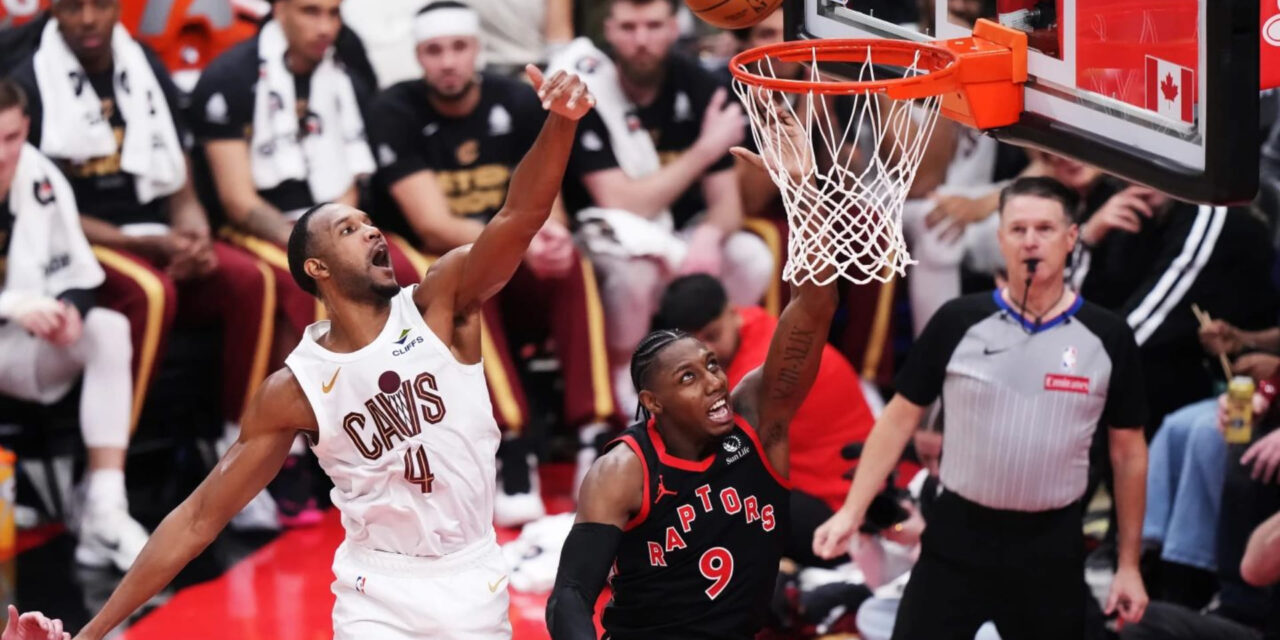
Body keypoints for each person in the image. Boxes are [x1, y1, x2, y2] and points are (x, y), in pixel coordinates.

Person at [29, 67, 594, 640]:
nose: (373, 232)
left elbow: (519, 215)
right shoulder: (295, 388)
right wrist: (90, 633)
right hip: (377, 591)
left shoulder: (443, 303)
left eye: (371, 223)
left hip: (472, 575)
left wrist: (560, 124)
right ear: (316, 269)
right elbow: (199, 518)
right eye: (350, 230)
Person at [814, 176, 1151, 639]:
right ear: (1000, 239)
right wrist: (852, 511)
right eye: (1017, 229)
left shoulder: (1108, 336)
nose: (1030, 241)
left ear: (1072, 237)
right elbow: (897, 420)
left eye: (1045, 229)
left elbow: (1128, 454)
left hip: (1051, 546)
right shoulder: (958, 321)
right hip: (958, 536)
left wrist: (1128, 564)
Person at [545, 109, 839, 639]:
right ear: (651, 403)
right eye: (687, 378)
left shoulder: (758, 418)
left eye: (711, 365)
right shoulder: (624, 470)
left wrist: (803, 191)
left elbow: (815, 302)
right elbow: (569, 596)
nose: (713, 381)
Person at [6, 0, 282, 530]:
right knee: (150, 293)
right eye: (72, 8)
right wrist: (154, 248)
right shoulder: (31, 82)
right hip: (81, 240)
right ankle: (102, 478)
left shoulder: (144, 64)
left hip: (156, 234)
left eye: (99, 6)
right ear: (52, 15)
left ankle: (240, 456)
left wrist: (193, 228)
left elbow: (178, 175)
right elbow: (50, 214)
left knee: (251, 279)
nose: (87, 20)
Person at [368, 0, 616, 524]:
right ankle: (512, 444)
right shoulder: (395, 109)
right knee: (469, 278)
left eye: (458, 47)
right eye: (434, 51)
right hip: (441, 276)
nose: (448, 61)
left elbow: (552, 199)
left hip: (516, 252)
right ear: (418, 57)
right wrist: (519, 242)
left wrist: (551, 239)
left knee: (572, 261)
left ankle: (595, 434)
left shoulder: (516, 101)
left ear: (477, 50)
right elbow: (432, 223)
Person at [189, 0, 431, 524]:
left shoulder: (347, 63)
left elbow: (349, 184)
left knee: (408, 271)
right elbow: (236, 198)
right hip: (258, 222)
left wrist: (339, 232)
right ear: (277, 11)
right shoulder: (230, 75)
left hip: (324, 217)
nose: (325, 27)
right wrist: (311, 242)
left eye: (333, 13)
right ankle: (283, 450)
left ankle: (403, 431)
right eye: (310, 12)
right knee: (298, 280)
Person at [550, 0, 774, 413]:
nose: (641, 40)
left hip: (682, 232)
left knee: (750, 256)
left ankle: (721, 367)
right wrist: (704, 150)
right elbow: (619, 202)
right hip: (611, 238)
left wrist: (709, 236)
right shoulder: (589, 90)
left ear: (674, 28)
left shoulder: (703, 87)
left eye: (653, 25)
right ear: (609, 31)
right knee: (634, 273)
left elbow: (727, 206)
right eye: (629, 27)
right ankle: (627, 378)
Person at [0, 80, 147, 571]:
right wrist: (13, 304)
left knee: (106, 328)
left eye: (11, 138)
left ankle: (105, 508)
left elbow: (82, 275)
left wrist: (70, 313)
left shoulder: (38, 173)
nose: (3, 155)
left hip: (21, 352)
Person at [652, 273, 876, 564]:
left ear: (733, 313)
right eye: (695, 344)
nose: (708, 350)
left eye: (713, 336)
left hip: (845, 510)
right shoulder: (752, 327)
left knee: (710, 499)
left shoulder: (758, 367)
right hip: (825, 486)